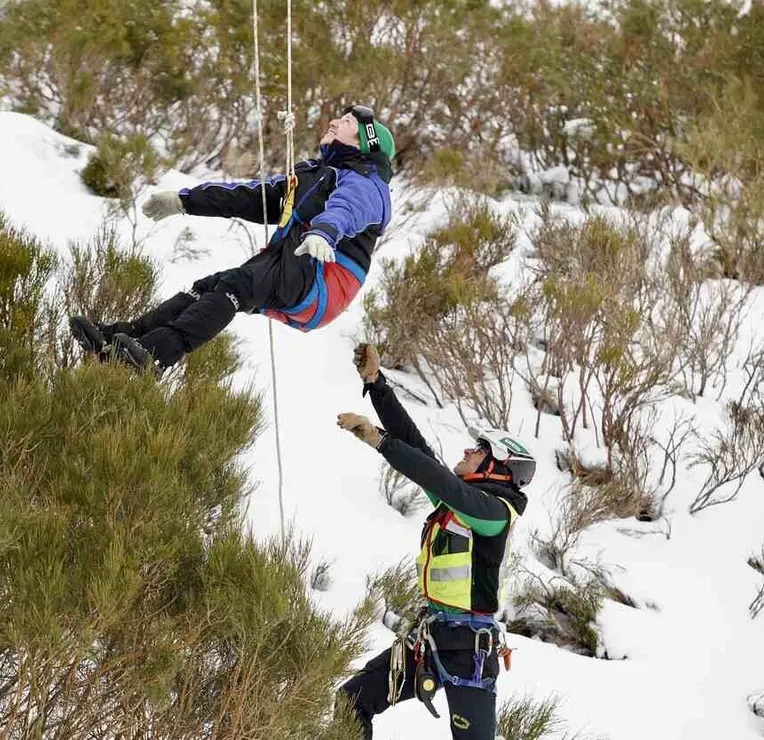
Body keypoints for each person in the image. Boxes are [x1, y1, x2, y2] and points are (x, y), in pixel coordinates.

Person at [69, 106, 395, 373]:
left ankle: (156, 355)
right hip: (292, 262)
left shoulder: (367, 183)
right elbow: (253, 197)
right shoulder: (315, 175)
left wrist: (325, 232)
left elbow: (348, 208)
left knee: (236, 287)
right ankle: (123, 339)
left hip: (326, 280)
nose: (335, 121)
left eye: (347, 121)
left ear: (366, 143)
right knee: (209, 287)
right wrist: (185, 201)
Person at [335, 344, 535, 740]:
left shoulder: (494, 513)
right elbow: (419, 450)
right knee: (350, 702)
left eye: (478, 450)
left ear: (497, 469)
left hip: (469, 653)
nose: (466, 450)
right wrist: (376, 385)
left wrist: (379, 440)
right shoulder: (460, 503)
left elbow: (436, 476)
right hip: (430, 639)